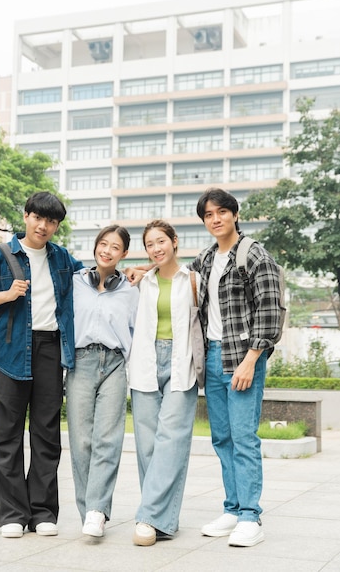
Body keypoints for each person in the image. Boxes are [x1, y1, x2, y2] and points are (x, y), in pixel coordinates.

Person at [0, 191, 83, 538]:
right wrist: (6, 295)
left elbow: (92, 278)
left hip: (49, 348)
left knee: (47, 435)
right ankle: (13, 515)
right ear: (27, 216)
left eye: (52, 221)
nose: (44, 226)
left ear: (57, 225)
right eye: (38, 218)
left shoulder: (61, 258)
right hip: (12, 349)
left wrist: (132, 270)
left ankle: (43, 512)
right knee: (7, 437)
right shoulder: (1, 255)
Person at [190, 187, 281, 547]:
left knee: (244, 438)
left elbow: (270, 313)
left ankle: (250, 516)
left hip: (242, 359)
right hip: (213, 357)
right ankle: (231, 508)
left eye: (221, 212)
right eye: (208, 215)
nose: (215, 219)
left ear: (234, 213)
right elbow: (180, 277)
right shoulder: (207, 257)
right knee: (222, 438)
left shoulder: (255, 255)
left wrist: (251, 359)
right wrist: (143, 269)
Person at [128, 219, 200, 547]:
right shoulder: (141, 282)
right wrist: (139, 270)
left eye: (161, 241)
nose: (156, 248)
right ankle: (163, 521)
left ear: (174, 241)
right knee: (147, 445)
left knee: (171, 439)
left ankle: (148, 517)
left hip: (181, 363)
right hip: (144, 363)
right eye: (150, 244)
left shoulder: (194, 280)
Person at [66, 225, 139, 538]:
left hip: (114, 364)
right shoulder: (74, 282)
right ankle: (88, 511)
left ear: (124, 254)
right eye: (103, 244)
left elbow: (137, 331)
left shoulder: (131, 290)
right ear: (95, 247)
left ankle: (97, 510)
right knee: (81, 440)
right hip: (80, 362)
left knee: (108, 439)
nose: (107, 250)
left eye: (115, 247)